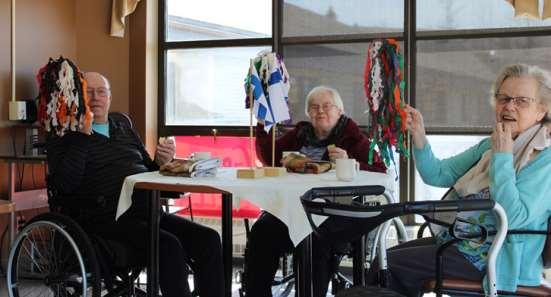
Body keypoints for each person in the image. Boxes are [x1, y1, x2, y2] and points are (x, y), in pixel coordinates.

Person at [366, 64, 551, 296]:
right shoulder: (490, 146)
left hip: (498, 260)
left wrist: (503, 157)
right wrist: (420, 135)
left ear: (541, 111)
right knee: (383, 259)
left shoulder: (545, 157)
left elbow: (514, 219)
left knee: (389, 266)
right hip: (464, 241)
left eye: (521, 101)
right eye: (503, 98)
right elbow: (438, 174)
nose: (509, 106)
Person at [46, 72, 224, 297]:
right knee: (168, 246)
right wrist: (82, 135)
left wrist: (161, 163)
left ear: (109, 98)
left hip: (149, 214)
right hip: (106, 219)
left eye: (101, 91)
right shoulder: (66, 134)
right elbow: (65, 184)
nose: (95, 97)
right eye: (87, 91)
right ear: (78, 97)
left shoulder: (123, 127)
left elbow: (147, 171)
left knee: (208, 239)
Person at [244, 85, 387, 297]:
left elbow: (380, 170)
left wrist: (351, 162)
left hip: (334, 213)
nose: (320, 111)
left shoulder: (352, 136)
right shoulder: (300, 133)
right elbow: (270, 158)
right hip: (294, 208)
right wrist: (262, 125)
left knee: (315, 240)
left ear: (339, 110)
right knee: (261, 232)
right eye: (314, 107)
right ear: (308, 113)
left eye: (327, 106)